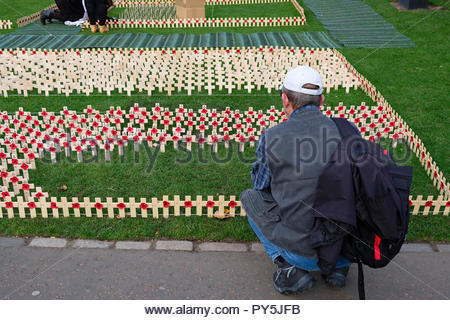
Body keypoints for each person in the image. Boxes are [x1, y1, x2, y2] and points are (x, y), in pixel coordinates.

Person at [240, 66, 352, 294]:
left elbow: (261, 187)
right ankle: (339, 268)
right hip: (348, 247)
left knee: (250, 198)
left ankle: (289, 268)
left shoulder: (272, 136)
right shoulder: (347, 129)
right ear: (321, 99)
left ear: (285, 99)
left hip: (302, 253)